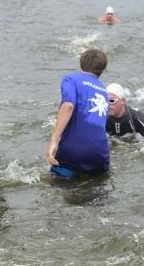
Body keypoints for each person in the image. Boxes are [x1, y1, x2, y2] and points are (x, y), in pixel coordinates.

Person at [46, 48, 111, 178]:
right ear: (103, 70)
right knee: (95, 190)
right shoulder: (104, 90)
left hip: (74, 150)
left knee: (59, 186)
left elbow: (68, 106)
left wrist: (54, 140)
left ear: (80, 63)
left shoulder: (71, 79)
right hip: (100, 153)